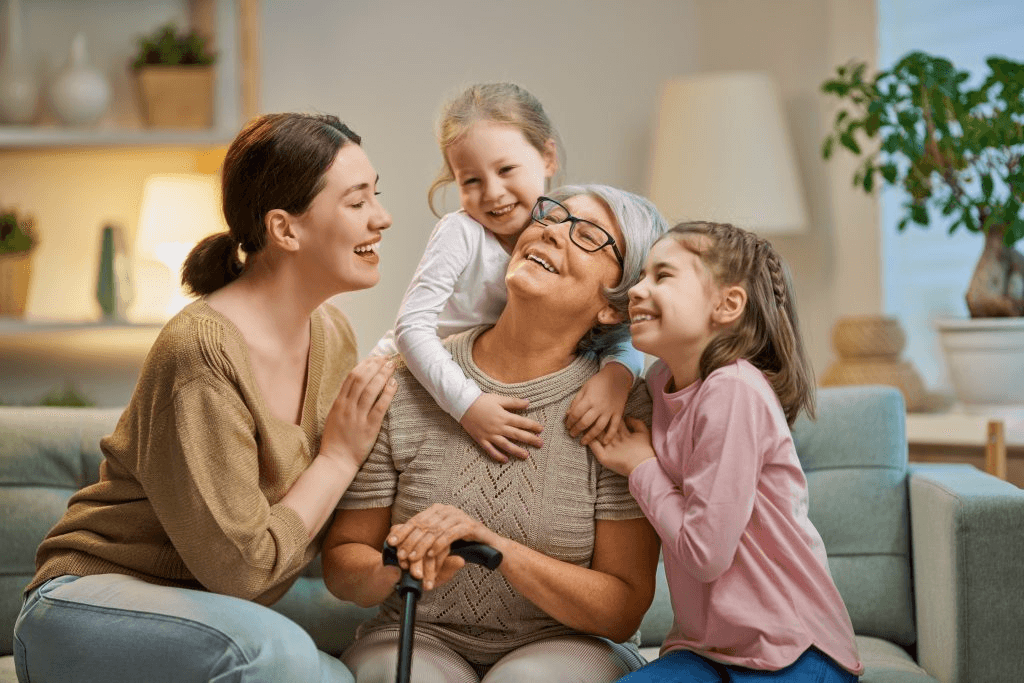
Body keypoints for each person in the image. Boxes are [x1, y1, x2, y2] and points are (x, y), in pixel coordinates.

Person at [13, 112, 397, 683]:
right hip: (84, 607)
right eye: (357, 202)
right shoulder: (200, 351)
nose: (382, 219)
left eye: (377, 196)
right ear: (285, 230)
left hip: (214, 620)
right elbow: (242, 573)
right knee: (278, 657)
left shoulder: (334, 335)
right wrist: (338, 457)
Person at [324, 184, 668, 683]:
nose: (552, 233)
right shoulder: (407, 381)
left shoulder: (624, 410)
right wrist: (401, 566)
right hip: (420, 634)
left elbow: (621, 608)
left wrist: (490, 547)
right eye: (551, 216)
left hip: (572, 643)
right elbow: (342, 564)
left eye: (589, 236)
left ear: (614, 306)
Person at [590, 221, 864, 681]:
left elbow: (704, 553)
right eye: (640, 276)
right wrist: (614, 378)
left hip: (793, 650)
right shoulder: (661, 380)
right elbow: (619, 353)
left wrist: (642, 467)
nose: (636, 290)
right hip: (706, 650)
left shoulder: (733, 390)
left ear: (727, 304)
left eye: (662, 276)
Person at [371, 83, 645, 463]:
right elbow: (410, 328)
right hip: (401, 376)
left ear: (548, 156)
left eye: (506, 169)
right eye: (471, 180)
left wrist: (617, 377)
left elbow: (623, 325)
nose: (493, 193)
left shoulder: (559, 232)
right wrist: (469, 405)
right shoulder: (461, 232)